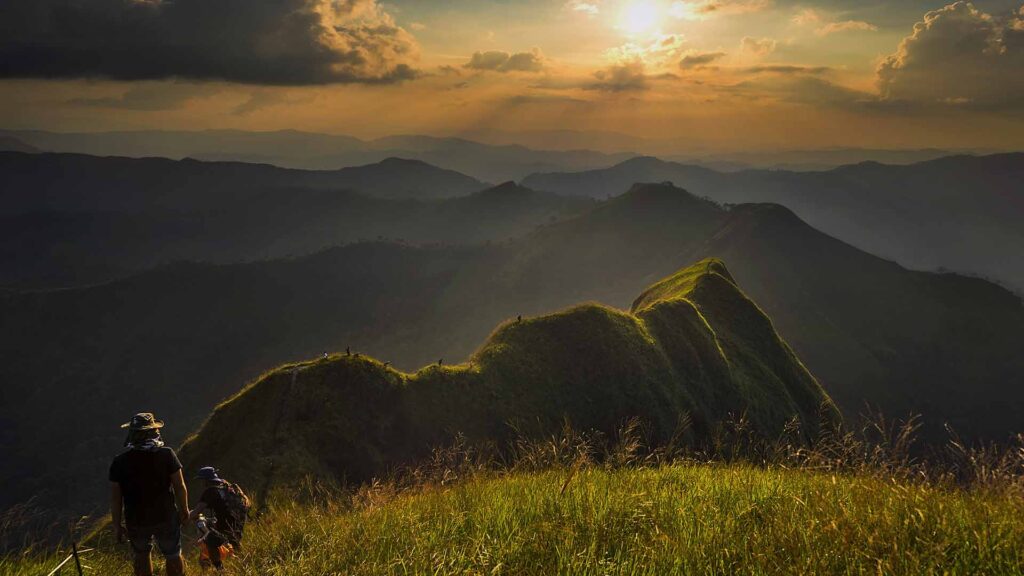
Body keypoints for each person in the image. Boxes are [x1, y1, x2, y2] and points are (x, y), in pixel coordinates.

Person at [110, 412, 190, 576]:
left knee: (141, 554)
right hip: (166, 515)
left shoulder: (119, 462)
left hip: (136, 519)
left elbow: (116, 498)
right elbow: (179, 485)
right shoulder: (166, 454)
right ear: (153, 431)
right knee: (173, 553)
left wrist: (117, 525)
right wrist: (184, 510)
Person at [189, 467, 249, 556]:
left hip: (225, 524)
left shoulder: (210, 491)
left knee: (202, 524)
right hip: (238, 520)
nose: (202, 483)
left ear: (206, 480)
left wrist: (182, 517)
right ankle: (243, 560)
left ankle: (218, 565)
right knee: (235, 545)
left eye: (202, 480)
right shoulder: (226, 486)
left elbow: (196, 512)